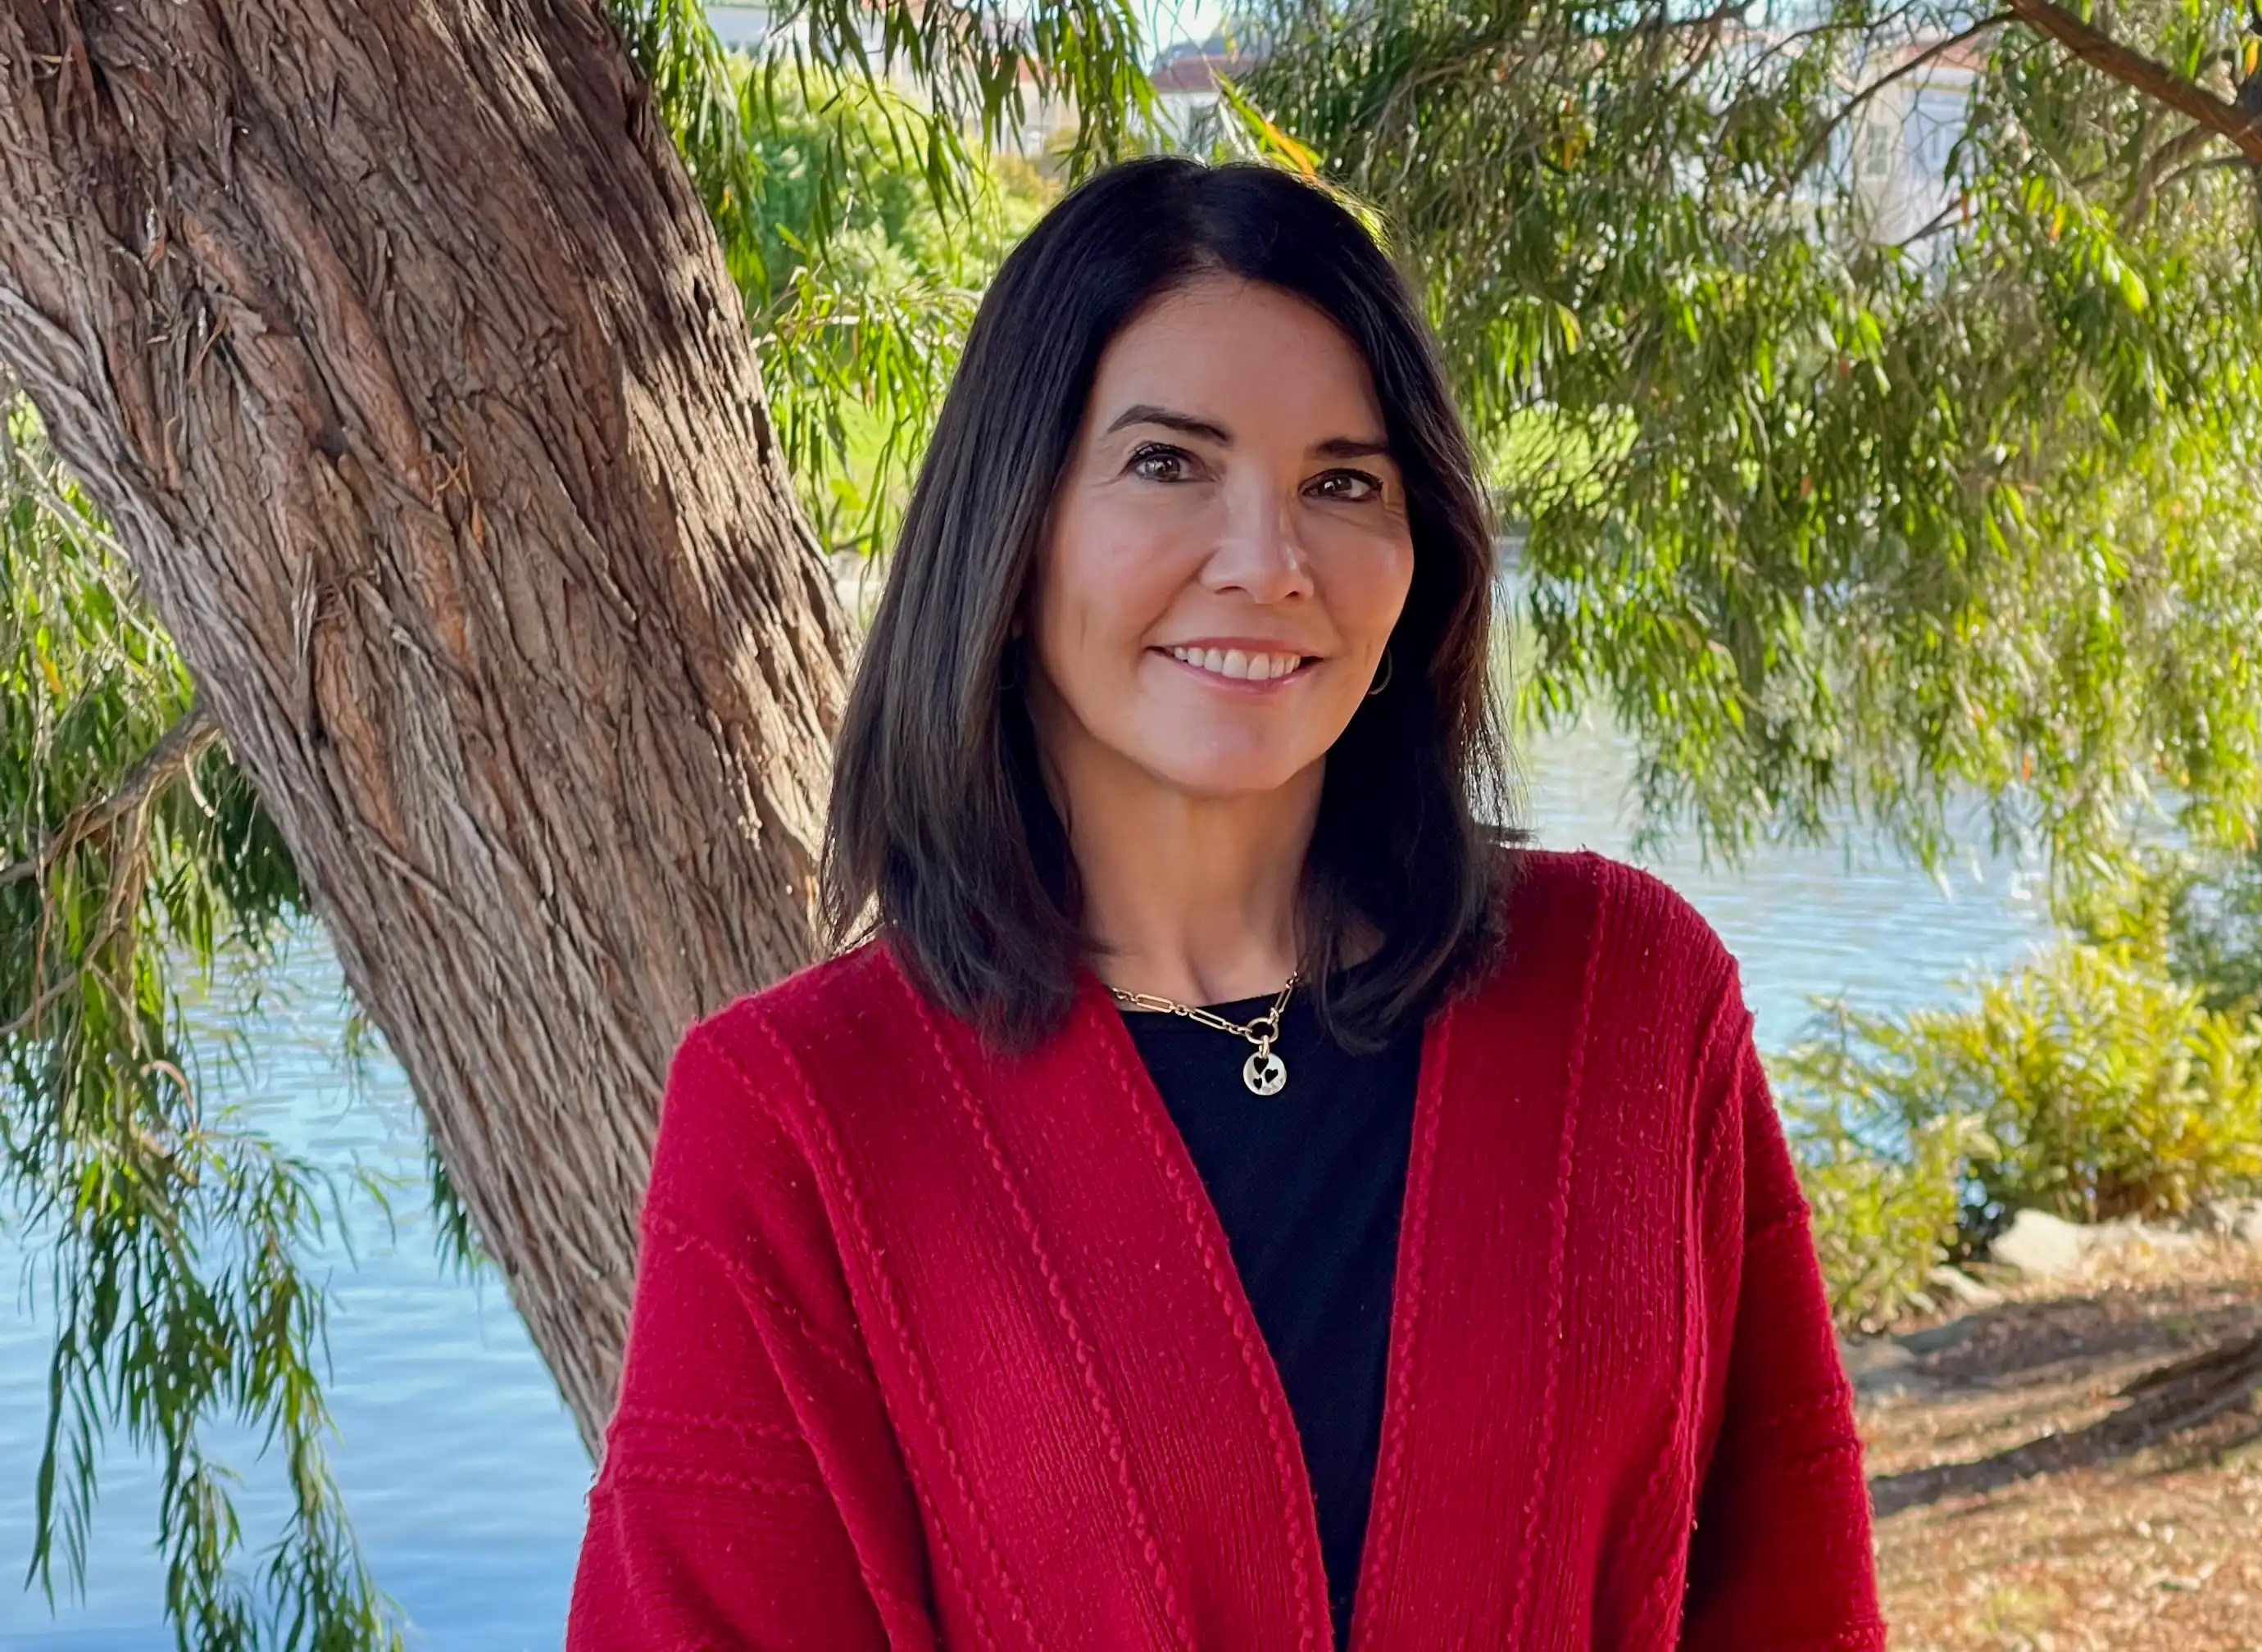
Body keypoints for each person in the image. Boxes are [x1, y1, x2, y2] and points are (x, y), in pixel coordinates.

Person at [565, 156, 1880, 1651]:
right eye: (1168, 463)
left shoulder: (1630, 999)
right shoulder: (799, 1114)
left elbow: (1798, 1594)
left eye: (1342, 483)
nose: (1269, 564)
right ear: (1017, 523)